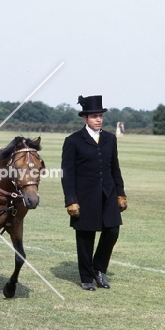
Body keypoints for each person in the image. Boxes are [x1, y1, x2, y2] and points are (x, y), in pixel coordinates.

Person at [61, 95, 127, 291]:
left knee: (113, 230)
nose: (99, 119)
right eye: (94, 116)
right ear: (85, 118)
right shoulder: (73, 141)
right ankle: (86, 277)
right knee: (85, 236)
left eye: (100, 116)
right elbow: (67, 174)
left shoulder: (110, 139)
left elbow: (115, 168)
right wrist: (71, 200)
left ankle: (98, 269)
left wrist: (120, 193)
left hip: (108, 193)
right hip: (84, 196)